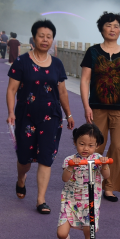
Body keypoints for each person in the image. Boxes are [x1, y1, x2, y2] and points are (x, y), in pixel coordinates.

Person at [6, 19, 75, 214]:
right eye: (41, 36)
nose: (45, 40)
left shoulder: (57, 64)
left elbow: (62, 92)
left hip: (51, 116)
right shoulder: (22, 62)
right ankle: (21, 178)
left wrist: (68, 114)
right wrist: (11, 112)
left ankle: (41, 200)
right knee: (24, 159)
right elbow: (11, 90)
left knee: (46, 157)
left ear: (53, 40)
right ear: (34, 38)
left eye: (49, 37)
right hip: (25, 115)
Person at [80, 11, 120, 203]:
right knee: (95, 146)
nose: (112, 29)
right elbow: (85, 80)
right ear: (101, 29)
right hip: (97, 107)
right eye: (108, 25)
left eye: (116, 26)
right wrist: (86, 106)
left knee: (119, 148)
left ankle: (109, 187)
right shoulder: (92, 52)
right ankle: (92, 183)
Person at [57, 124, 110, 239]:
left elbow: (106, 176)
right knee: (61, 233)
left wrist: (105, 165)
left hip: (90, 201)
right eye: (82, 144)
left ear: (97, 145)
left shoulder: (98, 159)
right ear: (75, 142)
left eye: (90, 145)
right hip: (70, 201)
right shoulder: (70, 159)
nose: (86, 148)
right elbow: (65, 178)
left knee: (89, 230)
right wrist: (71, 166)